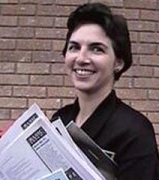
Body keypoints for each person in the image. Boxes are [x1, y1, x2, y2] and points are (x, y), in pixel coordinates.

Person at [51, 2, 159, 180]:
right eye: (74, 47)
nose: (82, 58)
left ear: (118, 63)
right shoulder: (59, 120)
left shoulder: (135, 131)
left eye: (97, 49)